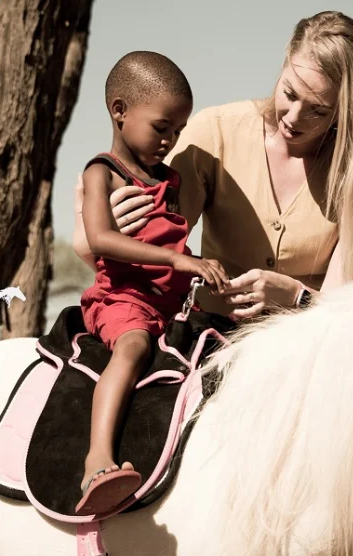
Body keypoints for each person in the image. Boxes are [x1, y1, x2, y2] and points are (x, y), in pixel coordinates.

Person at [73, 10, 353, 319]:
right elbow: (140, 269)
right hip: (208, 339)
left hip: (308, 357)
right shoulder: (214, 133)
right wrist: (98, 231)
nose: (292, 118)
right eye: (289, 93)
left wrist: (295, 296)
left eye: (317, 110)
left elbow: (346, 313)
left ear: (347, 111)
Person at [74, 51, 228, 515]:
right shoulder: (101, 172)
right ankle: (96, 459)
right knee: (134, 346)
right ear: (119, 111)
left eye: (178, 132)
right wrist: (173, 261)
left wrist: (201, 265)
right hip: (123, 298)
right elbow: (101, 238)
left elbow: (173, 245)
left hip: (171, 303)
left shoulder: (171, 180)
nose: (170, 140)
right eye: (162, 128)